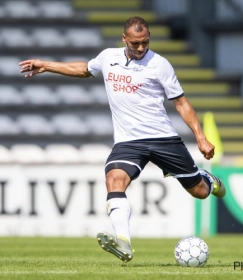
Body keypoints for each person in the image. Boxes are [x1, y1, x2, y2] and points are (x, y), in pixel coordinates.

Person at [19, 16, 226, 263]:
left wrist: (200, 138)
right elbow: (84, 69)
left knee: (200, 192)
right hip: (128, 142)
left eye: (145, 42)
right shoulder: (108, 57)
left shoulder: (160, 65)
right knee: (113, 179)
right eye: (135, 43)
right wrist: (46, 65)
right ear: (124, 39)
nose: (141, 48)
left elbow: (181, 103)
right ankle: (124, 242)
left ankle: (206, 178)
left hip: (163, 138)